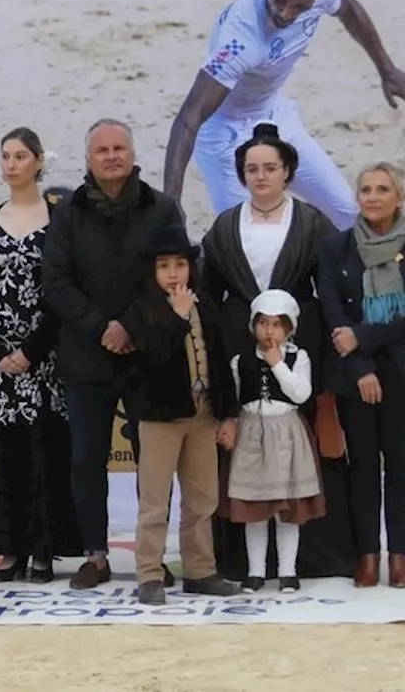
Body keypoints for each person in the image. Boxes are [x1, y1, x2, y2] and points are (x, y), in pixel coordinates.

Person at [200, 121, 355, 582]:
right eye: (252, 169)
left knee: (302, 451)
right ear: (242, 175)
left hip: (300, 348)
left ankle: (307, 561)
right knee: (242, 451)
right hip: (238, 354)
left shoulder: (311, 223)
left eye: (270, 168)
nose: (261, 176)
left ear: (288, 172)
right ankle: (240, 562)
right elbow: (210, 296)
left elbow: (330, 290)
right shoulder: (226, 225)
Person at [41, 117, 185, 590]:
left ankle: (151, 556)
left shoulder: (162, 209)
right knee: (86, 457)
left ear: (133, 151)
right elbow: (56, 281)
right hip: (87, 356)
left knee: (153, 461)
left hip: (150, 355)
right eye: (101, 149)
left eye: (119, 147)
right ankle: (95, 555)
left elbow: (171, 277)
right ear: (88, 159)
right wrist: (102, 327)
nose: (111, 156)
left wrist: (131, 326)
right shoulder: (67, 212)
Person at [164, 0, 405, 227]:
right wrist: (171, 200)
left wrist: (387, 69)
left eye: (301, 6)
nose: (287, 13)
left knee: (350, 214)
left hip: (273, 115)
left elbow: (348, 9)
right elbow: (190, 116)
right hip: (225, 135)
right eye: (279, 0)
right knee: (245, 237)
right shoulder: (241, 38)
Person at [0, 127, 81, 582]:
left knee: (43, 452)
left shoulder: (58, 219)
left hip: (44, 359)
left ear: (38, 162)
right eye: (5, 156)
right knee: (3, 454)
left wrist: (31, 350)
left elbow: (62, 292)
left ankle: (44, 551)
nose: (11, 164)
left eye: (20, 156)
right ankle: (9, 551)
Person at [317, 160, 405, 589]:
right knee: (362, 466)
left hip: (404, 371)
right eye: (365, 189)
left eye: (382, 189)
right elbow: (334, 312)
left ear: (399, 197)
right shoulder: (336, 248)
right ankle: (367, 553)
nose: (372, 196)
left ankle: (399, 554)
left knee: (400, 464)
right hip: (355, 374)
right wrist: (362, 368)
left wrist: (362, 338)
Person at [120, 222, 241, 605]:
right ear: (151, 272)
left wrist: (228, 415)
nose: (173, 273)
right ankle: (150, 574)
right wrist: (176, 316)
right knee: (155, 500)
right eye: (163, 266)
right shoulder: (141, 311)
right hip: (160, 416)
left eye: (180, 264)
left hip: (203, 413)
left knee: (203, 498)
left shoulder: (204, 307)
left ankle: (200, 570)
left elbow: (220, 363)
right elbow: (155, 355)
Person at [226, 289, 326, 593]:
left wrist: (277, 364)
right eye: (263, 323)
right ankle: (255, 572)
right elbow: (235, 396)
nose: (269, 331)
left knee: (287, 509)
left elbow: (301, 393)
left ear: (289, 328)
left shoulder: (299, 357)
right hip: (252, 434)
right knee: (254, 507)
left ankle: (287, 571)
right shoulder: (239, 360)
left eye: (277, 324)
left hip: (286, 433)